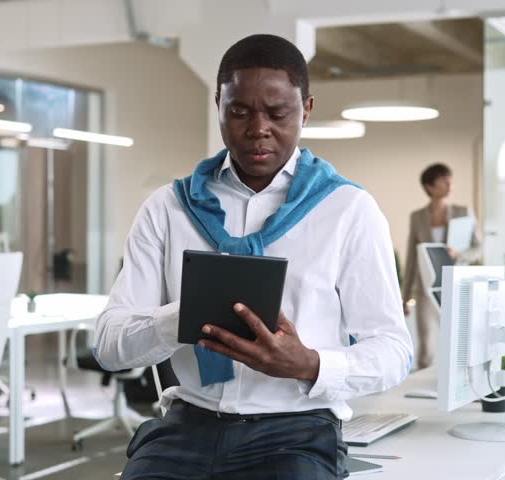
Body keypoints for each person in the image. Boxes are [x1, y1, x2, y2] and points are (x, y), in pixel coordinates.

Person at [94, 33, 412, 480]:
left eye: (278, 113)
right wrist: (186, 318)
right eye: (239, 111)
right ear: (219, 106)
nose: (257, 128)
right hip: (188, 425)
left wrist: (308, 363)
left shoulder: (348, 210)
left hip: (296, 431)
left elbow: (394, 350)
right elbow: (109, 344)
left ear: (307, 109)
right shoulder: (167, 208)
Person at [401, 163, 481, 369]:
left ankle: (456, 378)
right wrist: (405, 296)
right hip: (426, 287)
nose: (449, 183)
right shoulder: (417, 217)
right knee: (425, 342)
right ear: (429, 187)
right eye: (443, 180)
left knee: (456, 337)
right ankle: (423, 383)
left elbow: (478, 247)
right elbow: (412, 258)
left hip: (455, 285)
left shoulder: (463, 212)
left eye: (450, 179)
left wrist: (460, 254)